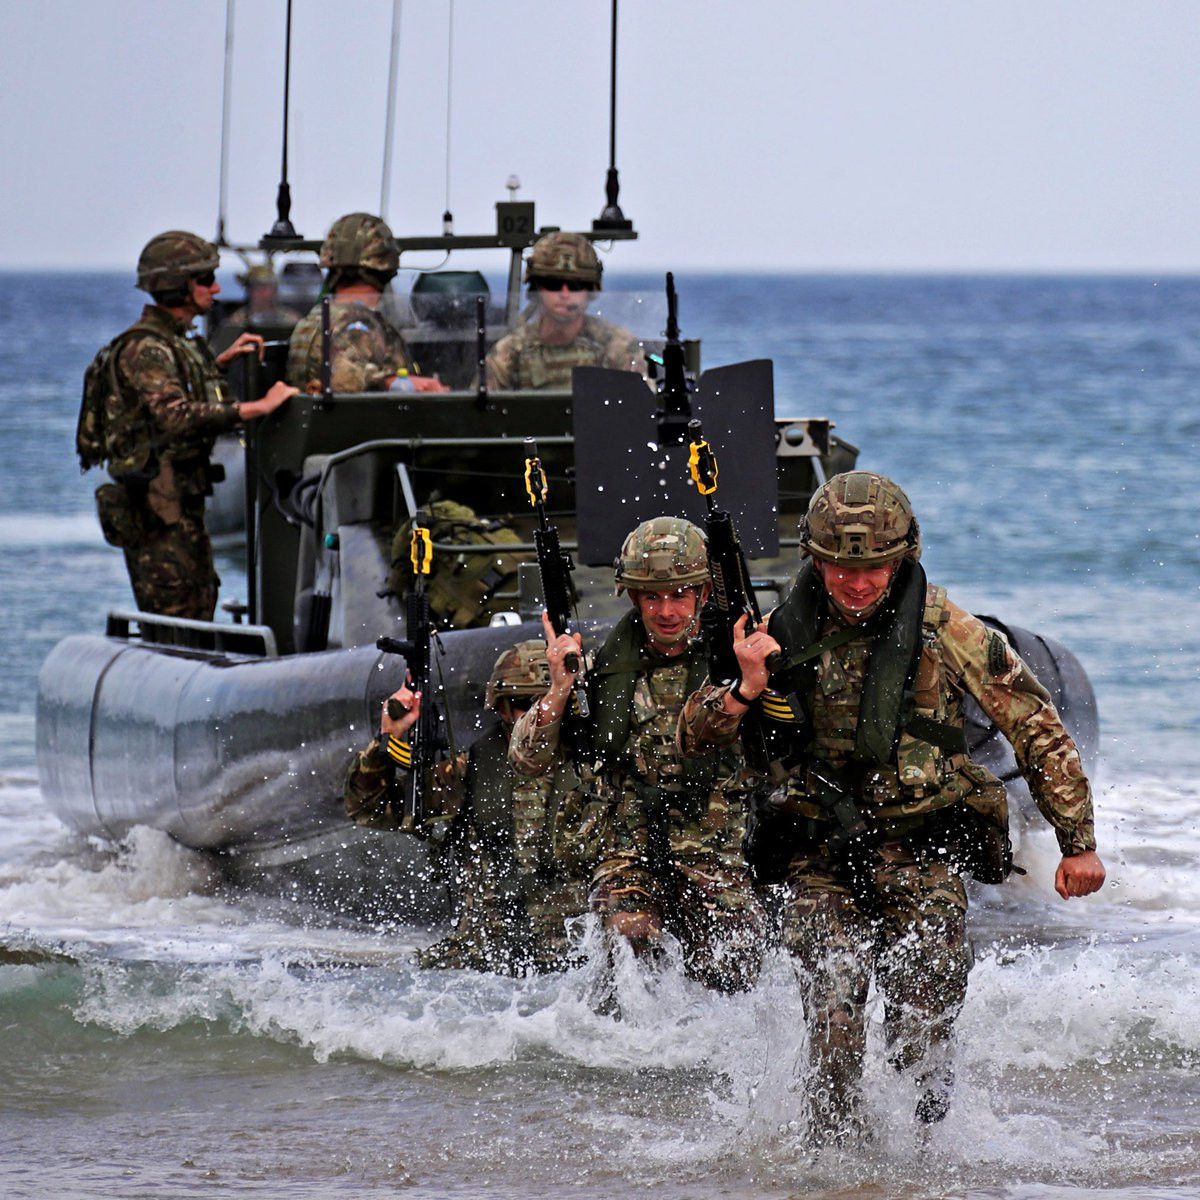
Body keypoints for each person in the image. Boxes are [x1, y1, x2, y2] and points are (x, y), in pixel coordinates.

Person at [678, 471, 1106, 1143]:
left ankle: (923, 1149)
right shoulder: (769, 633)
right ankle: (833, 1165)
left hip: (921, 847)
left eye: (874, 567)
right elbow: (691, 738)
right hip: (817, 853)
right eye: (840, 568)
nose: (857, 584)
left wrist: (1077, 840)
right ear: (814, 560)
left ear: (902, 557)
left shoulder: (948, 629)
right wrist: (745, 686)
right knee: (835, 1007)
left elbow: (1035, 724)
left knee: (924, 1024)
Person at [509, 517, 764, 997]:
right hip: (626, 849)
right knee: (628, 938)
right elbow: (525, 760)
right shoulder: (600, 673)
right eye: (652, 597)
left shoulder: (735, 665)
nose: (666, 611)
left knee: (737, 964)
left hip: (712, 849)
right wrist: (559, 690)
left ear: (704, 594)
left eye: (680, 595)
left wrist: (752, 684)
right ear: (633, 598)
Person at [344, 640, 589, 974]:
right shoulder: (469, 771)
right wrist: (388, 741)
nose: (536, 714)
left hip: (573, 963)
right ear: (501, 709)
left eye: (544, 701)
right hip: (484, 960)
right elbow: (369, 808)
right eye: (522, 703)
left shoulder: (595, 771)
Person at [89, 230, 297, 620]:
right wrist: (255, 407)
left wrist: (218, 364)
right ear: (176, 286)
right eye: (204, 280)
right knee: (177, 614)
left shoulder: (173, 344)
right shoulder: (146, 348)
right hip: (158, 513)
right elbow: (174, 415)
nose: (215, 288)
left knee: (200, 603)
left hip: (180, 507)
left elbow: (171, 388)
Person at [286, 212, 448, 395]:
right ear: (385, 266)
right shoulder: (357, 325)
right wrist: (391, 381)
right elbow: (340, 377)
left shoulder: (314, 320)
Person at [483, 231, 646, 391]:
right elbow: (479, 413)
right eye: (553, 284)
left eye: (575, 285)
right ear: (537, 288)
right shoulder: (509, 354)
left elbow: (642, 409)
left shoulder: (617, 347)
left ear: (590, 290)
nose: (564, 294)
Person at [222, 263, 302, 333]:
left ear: (274, 290)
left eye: (265, 287)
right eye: (255, 287)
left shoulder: (290, 319)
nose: (260, 292)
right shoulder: (238, 320)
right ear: (249, 290)